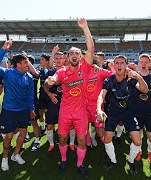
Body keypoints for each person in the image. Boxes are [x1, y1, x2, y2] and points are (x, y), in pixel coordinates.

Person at [45, 18, 94, 178]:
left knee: (81, 140)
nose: (74, 55)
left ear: (81, 57)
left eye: (77, 53)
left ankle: (80, 164)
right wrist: (50, 80)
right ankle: (64, 160)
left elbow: (91, 48)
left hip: (80, 113)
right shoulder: (62, 71)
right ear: (67, 57)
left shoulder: (85, 68)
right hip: (65, 111)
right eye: (71, 53)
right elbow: (52, 80)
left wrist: (85, 28)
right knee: (63, 138)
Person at [96, 55, 148, 174]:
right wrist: (99, 108)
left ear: (126, 65)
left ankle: (131, 161)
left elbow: (145, 90)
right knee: (107, 139)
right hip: (113, 113)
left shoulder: (132, 79)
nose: (119, 65)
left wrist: (139, 77)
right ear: (113, 65)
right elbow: (101, 95)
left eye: (122, 63)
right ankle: (113, 161)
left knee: (137, 142)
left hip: (129, 113)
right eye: (117, 63)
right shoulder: (109, 80)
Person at [0, 40, 36, 171]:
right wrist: (4, 49)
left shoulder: (28, 77)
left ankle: (16, 154)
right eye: (25, 62)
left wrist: (31, 109)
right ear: (17, 65)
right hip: (9, 110)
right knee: (9, 136)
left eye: (27, 62)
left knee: (23, 132)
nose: (27, 64)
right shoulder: (8, 73)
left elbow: (30, 95)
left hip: (23, 110)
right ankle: (5, 157)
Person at [43, 45, 64, 152]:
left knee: (67, 126)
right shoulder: (51, 72)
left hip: (66, 104)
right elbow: (44, 86)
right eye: (57, 58)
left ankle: (69, 143)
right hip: (53, 103)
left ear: (64, 60)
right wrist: (50, 94)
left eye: (61, 58)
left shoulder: (68, 71)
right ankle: (51, 143)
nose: (59, 60)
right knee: (50, 125)